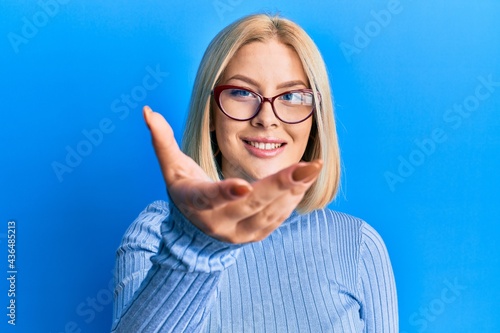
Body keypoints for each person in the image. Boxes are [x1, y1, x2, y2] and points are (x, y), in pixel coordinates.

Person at [111, 13, 398, 333]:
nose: (267, 118)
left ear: (315, 121)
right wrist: (194, 245)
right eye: (243, 93)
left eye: (291, 96)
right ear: (210, 115)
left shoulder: (358, 244)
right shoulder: (154, 233)